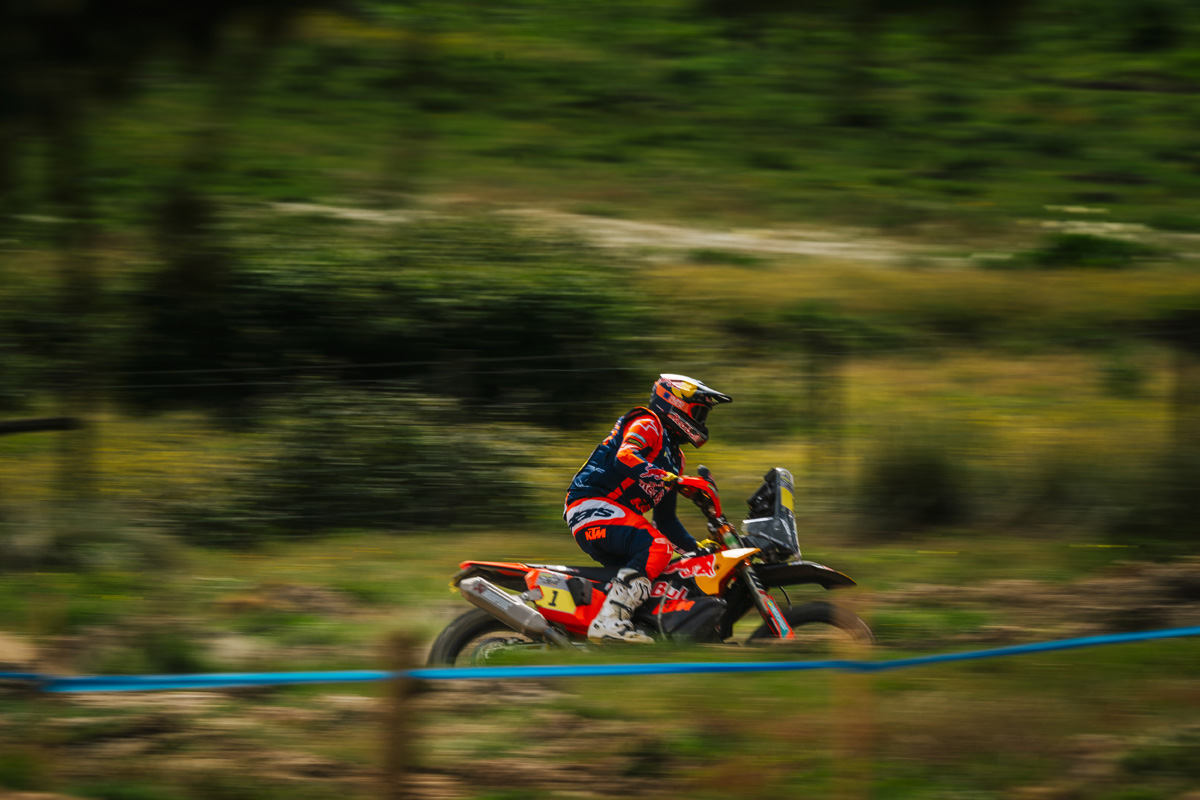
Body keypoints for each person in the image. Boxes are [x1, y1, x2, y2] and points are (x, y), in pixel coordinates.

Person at [563, 373, 732, 643]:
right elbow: (625, 457)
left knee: (663, 572)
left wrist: (697, 554)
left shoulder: (675, 457)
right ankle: (610, 622)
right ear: (674, 403)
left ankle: (611, 630)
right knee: (657, 547)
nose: (701, 421)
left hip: (612, 516)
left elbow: (666, 522)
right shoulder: (648, 423)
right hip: (591, 504)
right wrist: (673, 480)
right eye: (698, 412)